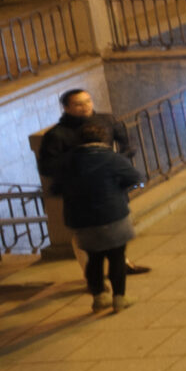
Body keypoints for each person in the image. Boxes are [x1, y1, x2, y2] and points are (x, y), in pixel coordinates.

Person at [38, 90, 151, 278]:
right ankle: (92, 279)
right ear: (66, 108)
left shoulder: (106, 121)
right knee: (83, 236)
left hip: (109, 187)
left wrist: (114, 162)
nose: (86, 107)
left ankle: (122, 264)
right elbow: (47, 166)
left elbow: (128, 144)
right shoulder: (57, 135)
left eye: (88, 101)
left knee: (118, 226)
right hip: (80, 193)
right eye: (78, 104)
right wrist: (79, 162)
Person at [52, 126, 144, 315]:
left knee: (93, 258)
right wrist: (118, 188)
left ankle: (99, 297)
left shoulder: (67, 163)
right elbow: (135, 177)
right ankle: (119, 298)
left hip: (81, 218)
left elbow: (55, 189)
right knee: (117, 257)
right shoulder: (112, 158)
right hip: (113, 214)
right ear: (103, 139)